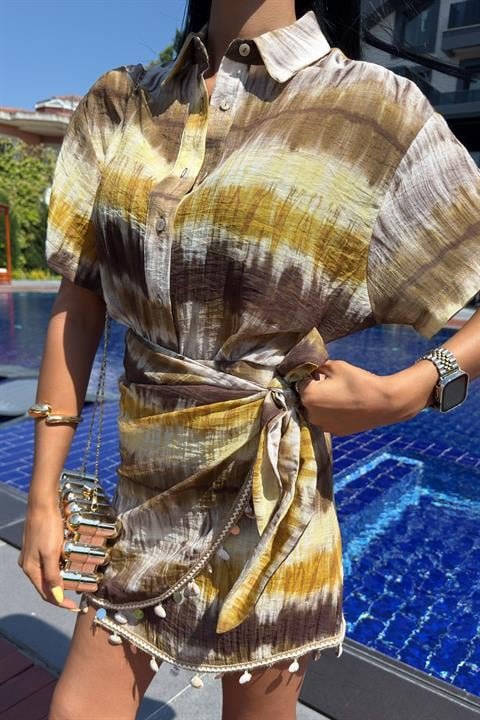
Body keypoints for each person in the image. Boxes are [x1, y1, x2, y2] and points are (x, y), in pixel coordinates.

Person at [18, 1, 480, 719]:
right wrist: (43, 496)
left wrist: (409, 391)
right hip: (144, 495)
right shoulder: (121, 102)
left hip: (276, 506)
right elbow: (80, 300)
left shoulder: (373, 111)